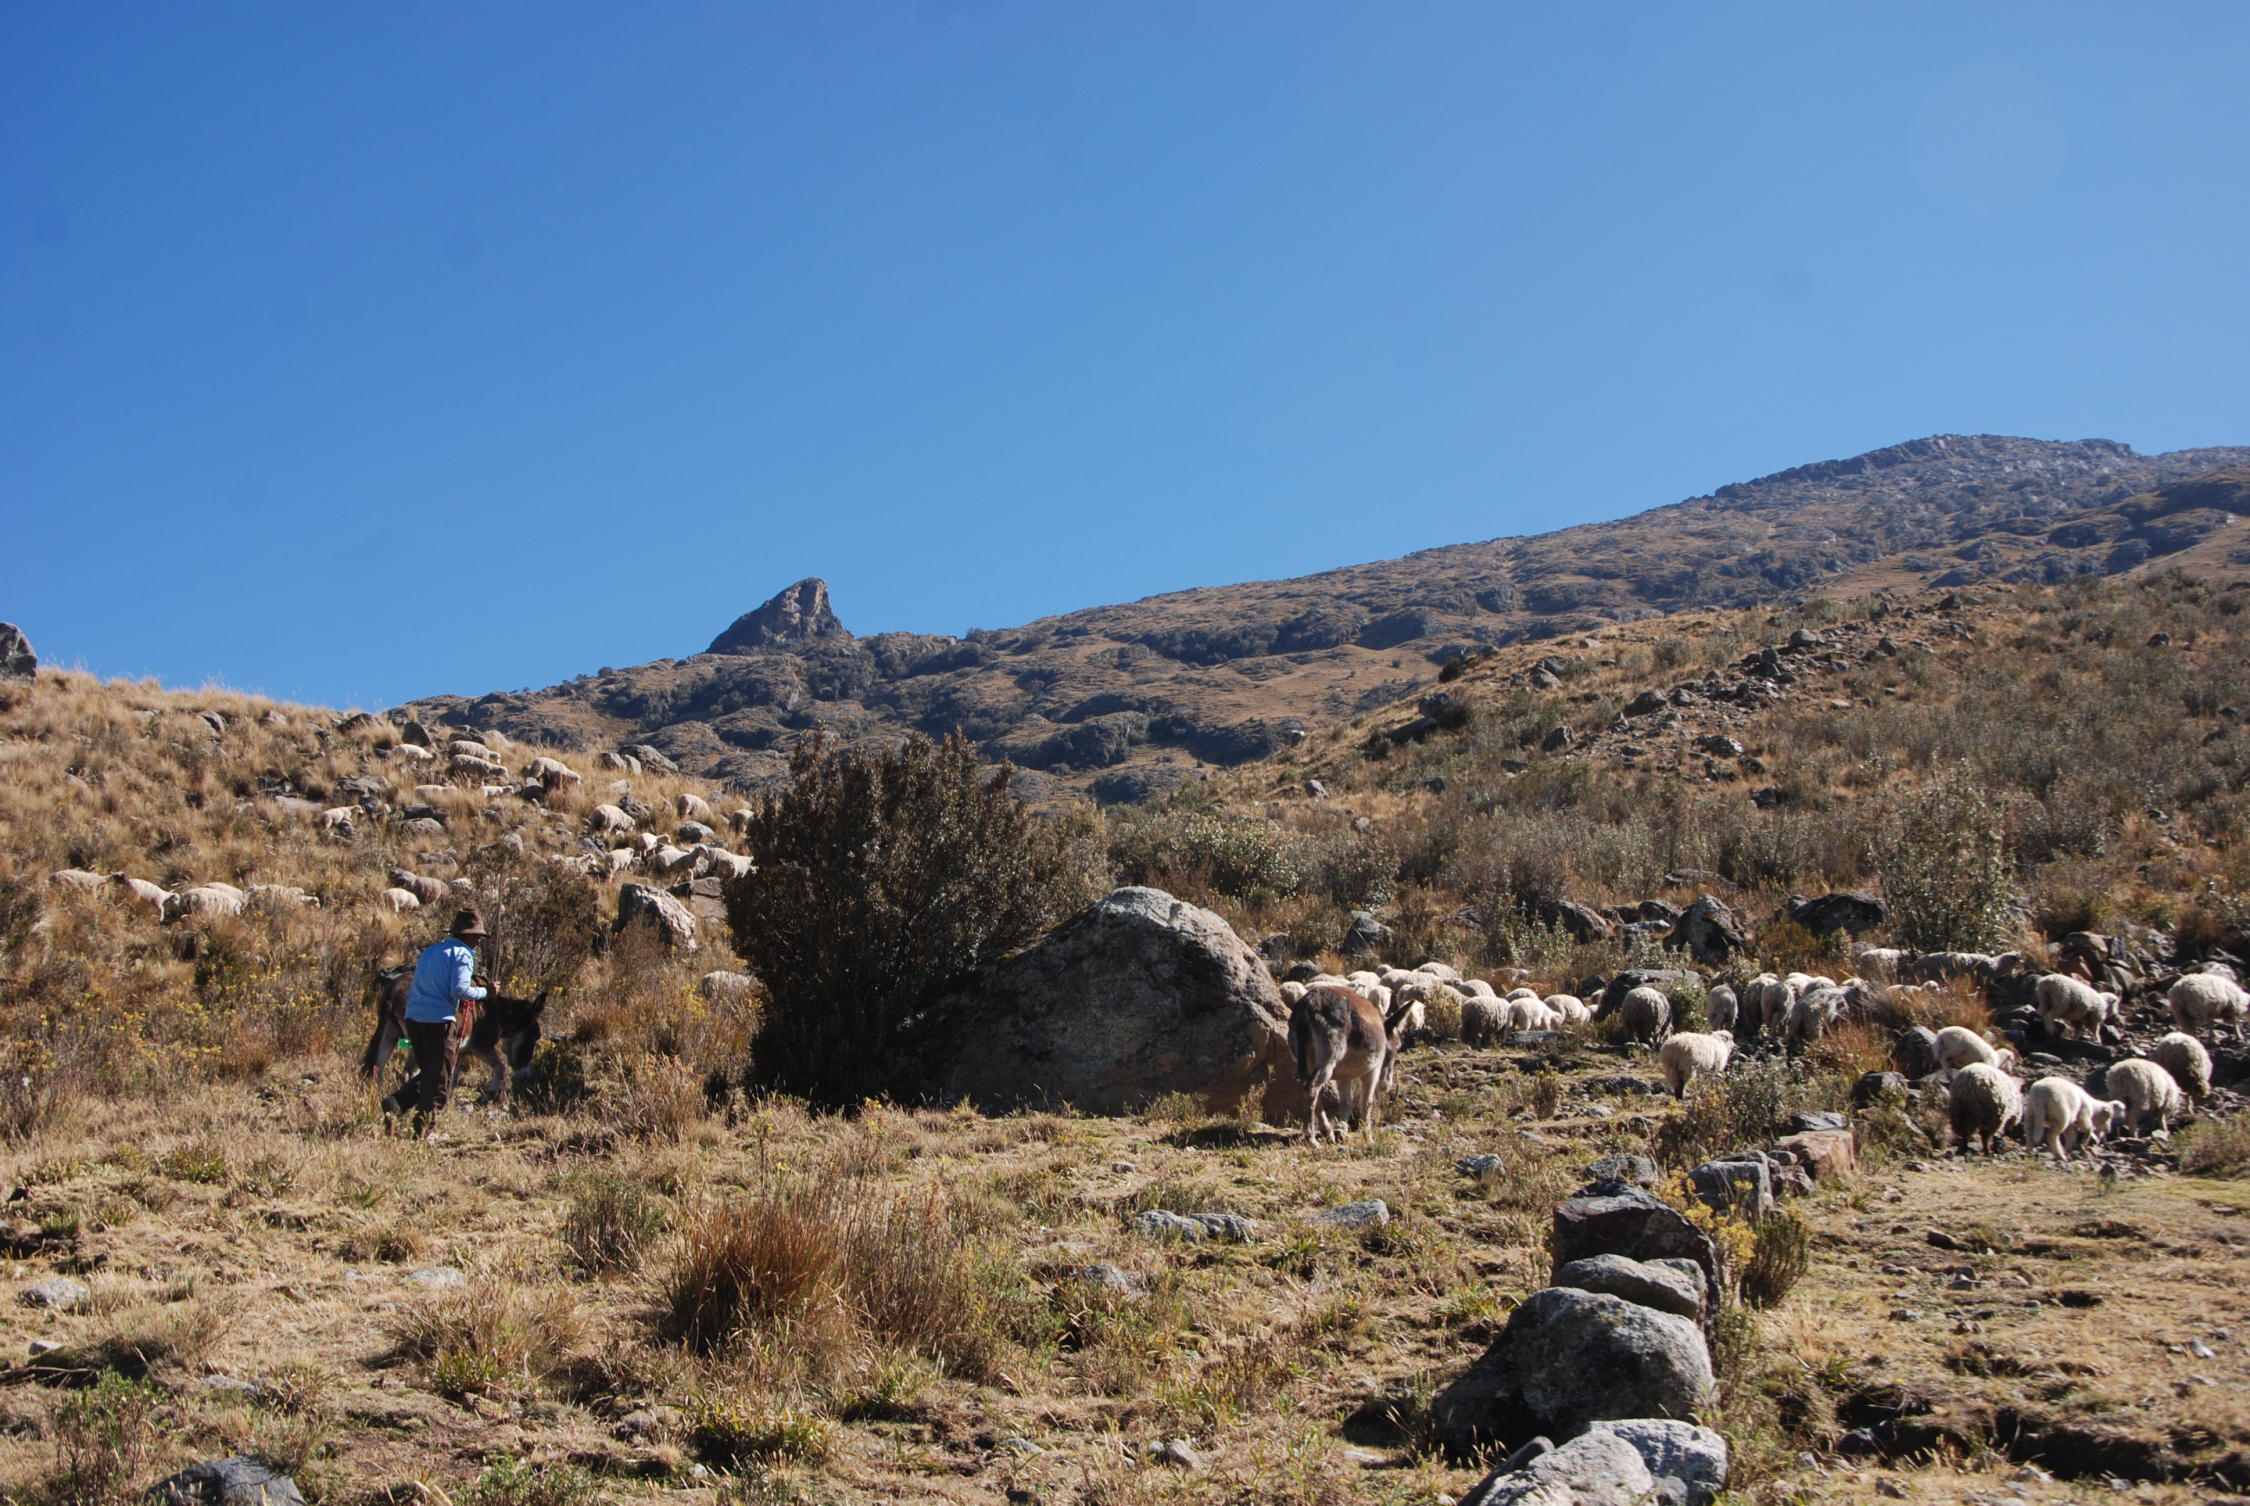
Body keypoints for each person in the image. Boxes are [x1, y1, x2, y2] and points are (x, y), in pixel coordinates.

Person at [390, 907, 491, 1137]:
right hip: (440, 1021)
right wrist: (486, 993)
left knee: (429, 1072)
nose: (478, 942)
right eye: (477, 937)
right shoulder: (463, 954)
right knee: (440, 1080)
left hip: (414, 1019)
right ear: (469, 935)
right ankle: (422, 1131)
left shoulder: (431, 951)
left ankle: (397, 1102)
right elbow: (460, 990)